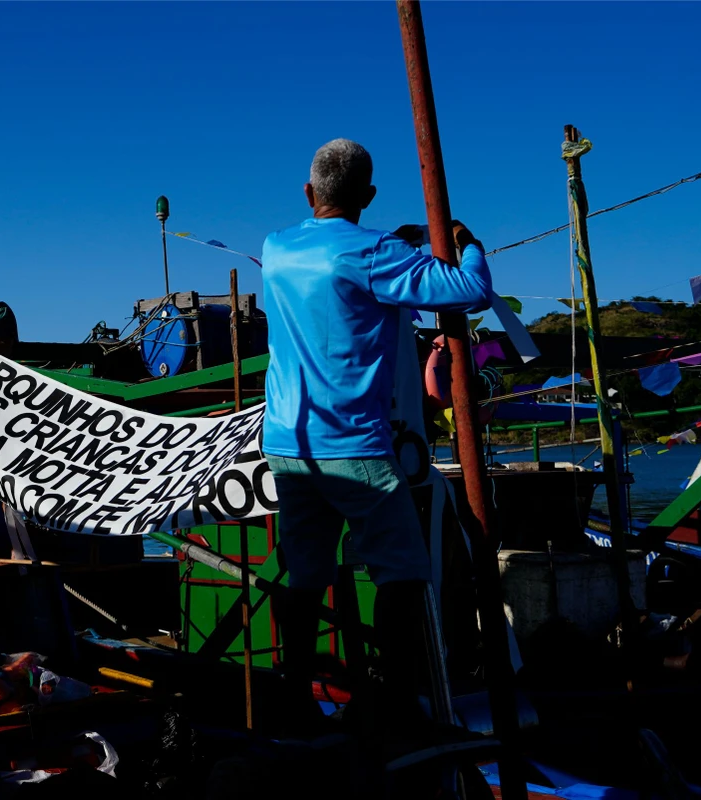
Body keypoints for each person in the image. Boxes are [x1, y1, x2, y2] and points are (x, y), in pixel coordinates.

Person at [260, 138, 493, 738]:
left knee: (305, 575)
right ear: (368, 196)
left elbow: (338, 252)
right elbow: (470, 291)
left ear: (308, 193)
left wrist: (394, 239)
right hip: (356, 448)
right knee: (403, 573)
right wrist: (467, 242)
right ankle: (392, 702)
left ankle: (295, 695)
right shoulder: (375, 254)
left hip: (289, 445)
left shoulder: (276, 248)